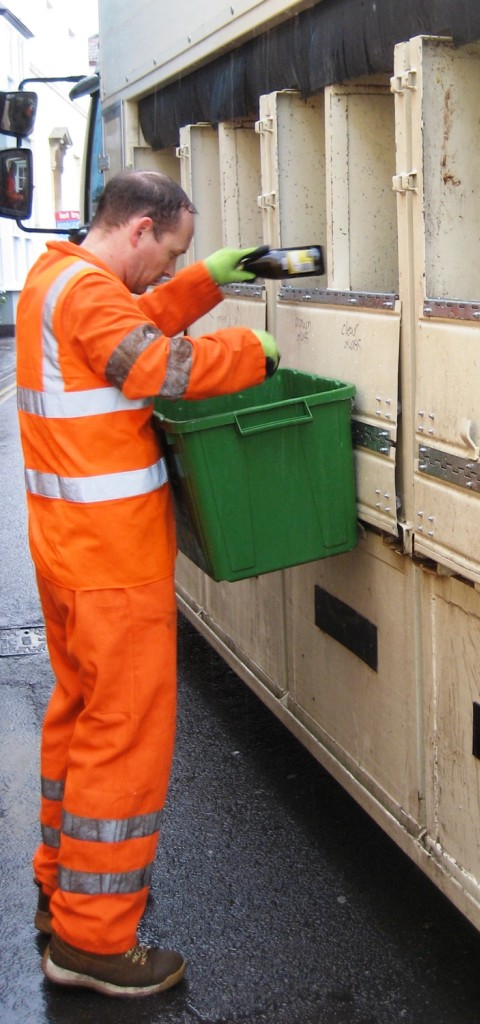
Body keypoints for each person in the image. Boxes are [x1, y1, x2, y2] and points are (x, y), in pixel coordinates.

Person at [15, 170, 279, 998]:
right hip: (110, 563)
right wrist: (249, 353)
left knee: (77, 719)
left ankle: (62, 889)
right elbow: (152, 365)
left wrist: (204, 283)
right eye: (168, 253)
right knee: (123, 740)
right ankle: (92, 942)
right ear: (137, 230)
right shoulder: (91, 293)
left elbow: (126, 332)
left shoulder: (56, 278)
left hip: (69, 555)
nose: (165, 271)